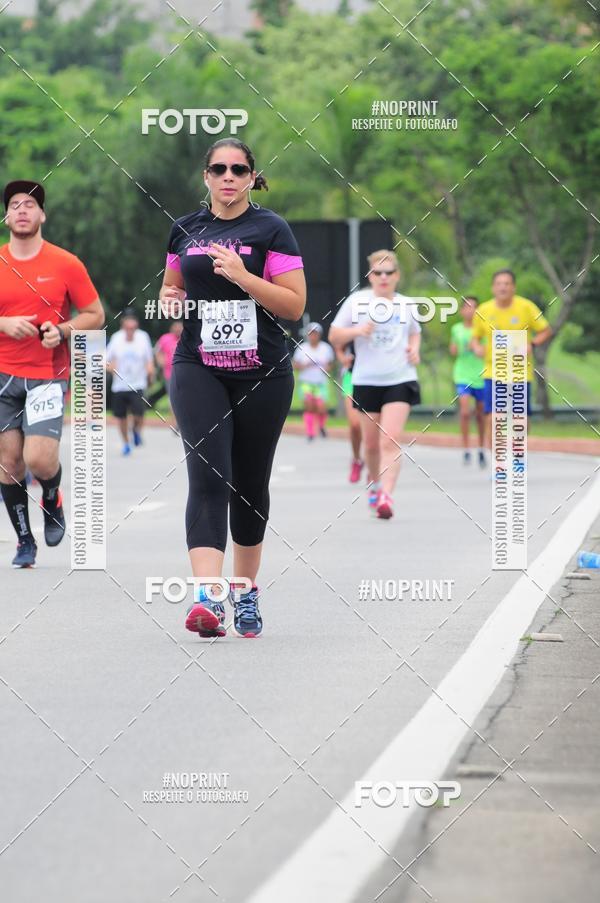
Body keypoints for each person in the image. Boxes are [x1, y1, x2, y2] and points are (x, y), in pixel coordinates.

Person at [159, 138, 306, 638]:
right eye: (218, 168)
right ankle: (207, 598)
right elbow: (171, 286)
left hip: (261, 371)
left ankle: (244, 592)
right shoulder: (185, 228)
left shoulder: (271, 229)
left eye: (237, 169)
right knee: (207, 476)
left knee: (249, 485)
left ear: (251, 176)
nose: (228, 176)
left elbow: (293, 306)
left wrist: (245, 277)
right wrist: (171, 299)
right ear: (206, 176)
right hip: (198, 364)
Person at [0, 179, 104, 567]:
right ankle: (25, 541)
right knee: (9, 462)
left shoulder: (65, 263)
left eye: (30, 204)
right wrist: (3, 325)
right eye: (15, 204)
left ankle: (51, 497)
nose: (23, 209)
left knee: (40, 460)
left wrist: (61, 331)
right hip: (2, 375)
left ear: (42, 215)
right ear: (7, 216)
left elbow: (96, 315)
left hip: (47, 372)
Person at [329, 249, 421, 520]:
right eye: (378, 273)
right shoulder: (357, 301)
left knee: (389, 440)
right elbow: (334, 335)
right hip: (367, 380)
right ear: (370, 275)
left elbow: (415, 334)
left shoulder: (407, 304)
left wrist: (414, 350)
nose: (383, 277)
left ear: (397, 276)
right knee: (370, 445)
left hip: (400, 378)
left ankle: (386, 495)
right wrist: (357, 331)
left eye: (389, 273)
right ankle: (375, 482)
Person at [470, 270, 552, 446]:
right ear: (493, 288)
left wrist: (533, 345)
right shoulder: (483, 310)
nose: (503, 287)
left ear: (513, 287)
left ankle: (517, 453)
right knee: (494, 418)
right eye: (499, 284)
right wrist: (477, 348)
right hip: (493, 372)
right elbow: (475, 338)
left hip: (519, 372)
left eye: (507, 284)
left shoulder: (526, 307)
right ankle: (498, 462)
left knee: (520, 421)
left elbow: (545, 330)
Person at [106, 312, 154, 455]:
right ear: (123, 327)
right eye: (128, 328)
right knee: (121, 417)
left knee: (139, 414)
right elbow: (107, 361)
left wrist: (150, 372)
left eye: (133, 328)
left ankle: (136, 431)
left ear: (136, 327)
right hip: (120, 385)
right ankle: (126, 443)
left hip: (137, 383)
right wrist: (110, 367)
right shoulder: (116, 338)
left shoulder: (143, 337)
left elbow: (149, 359)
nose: (130, 331)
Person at [449, 297, 486, 466]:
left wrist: (478, 348)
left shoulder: (484, 329)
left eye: (473, 307)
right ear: (462, 311)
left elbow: (488, 350)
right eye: (467, 307)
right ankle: (465, 448)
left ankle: (480, 447)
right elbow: (453, 350)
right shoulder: (456, 329)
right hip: (462, 375)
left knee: (480, 414)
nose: (470, 311)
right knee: (465, 412)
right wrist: (457, 348)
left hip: (482, 375)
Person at [292, 322, 335, 441]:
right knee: (309, 406)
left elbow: (331, 364)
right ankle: (310, 432)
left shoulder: (326, 348)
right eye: (311, 333)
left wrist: (327, 368)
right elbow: (295, 365)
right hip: (306, 382)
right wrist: (303, 366)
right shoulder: (302, 348)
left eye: (315, 333)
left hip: (320, 382)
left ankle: (321, 426)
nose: (313, 336)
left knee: (321, 407)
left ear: (319, 335)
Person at [335, 340, 363, 482]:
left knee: (376, 425)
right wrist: (342, 358)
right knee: (355, 424)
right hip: (351, 376)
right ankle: (357, 460)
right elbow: (337, 342)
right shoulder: (353, 319)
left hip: (378, 378)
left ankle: (375, 469)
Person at [155, 319, 183, 428]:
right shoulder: (165, 338)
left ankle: (183, 422)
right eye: (175, 327)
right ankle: (176, 423)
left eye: (179, 327)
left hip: (185, 374)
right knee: (173, 398)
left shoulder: (187, 337)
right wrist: (160, 361)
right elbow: (157, 351)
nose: (177, 329)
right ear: (171, 328)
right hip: (169, 374)